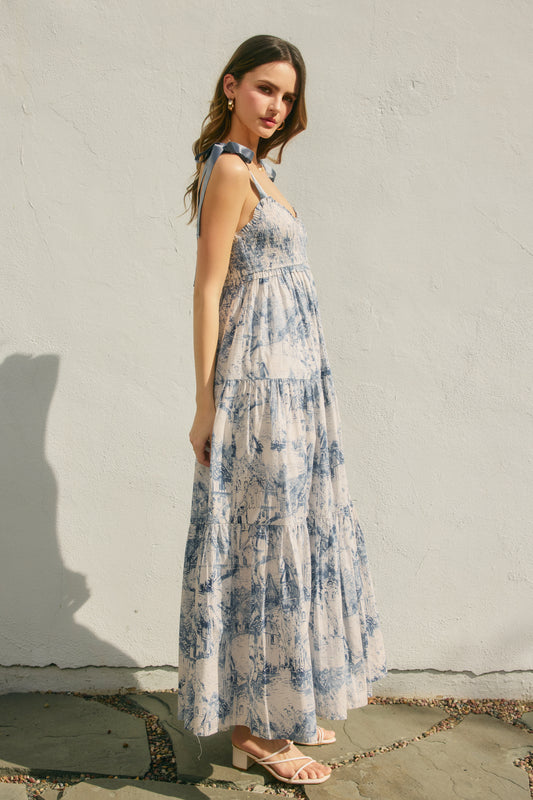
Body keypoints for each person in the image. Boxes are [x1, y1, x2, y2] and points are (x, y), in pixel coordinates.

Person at [177, 34, 387, 786]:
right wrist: (205, 404)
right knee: (262, 549)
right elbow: (207, 289)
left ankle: (279, 706)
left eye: (286, 95)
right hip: (256, 389)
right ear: (230, 86)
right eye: (264, 88)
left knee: (290, 536)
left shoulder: (261, 173)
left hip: (295, 391)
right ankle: (255, 732)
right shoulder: (229, 170)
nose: (275, 105)